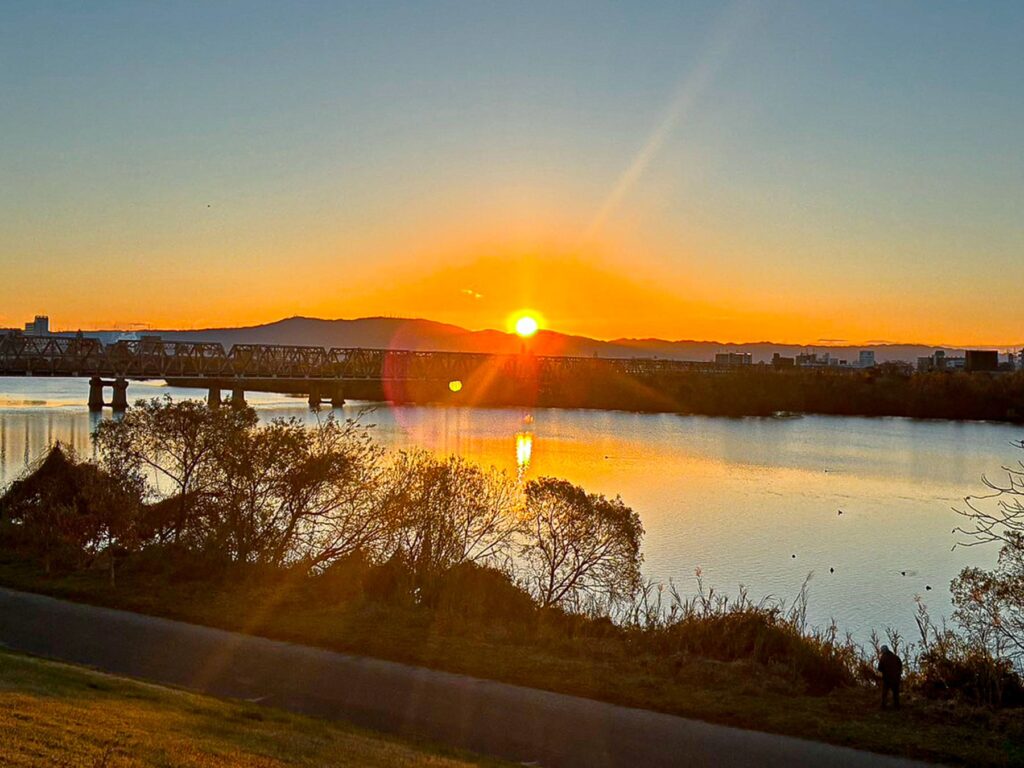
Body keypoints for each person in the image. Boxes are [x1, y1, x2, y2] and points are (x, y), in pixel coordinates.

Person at [877, 645, 902, 710]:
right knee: (895, 693)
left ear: (882, 651)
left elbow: (880, 668)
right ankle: (897, 706)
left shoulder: (883, 658)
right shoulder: (896, 657)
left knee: (885, 692)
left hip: (887, 678)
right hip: (896, 678)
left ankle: (883, 706)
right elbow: (900, 666)